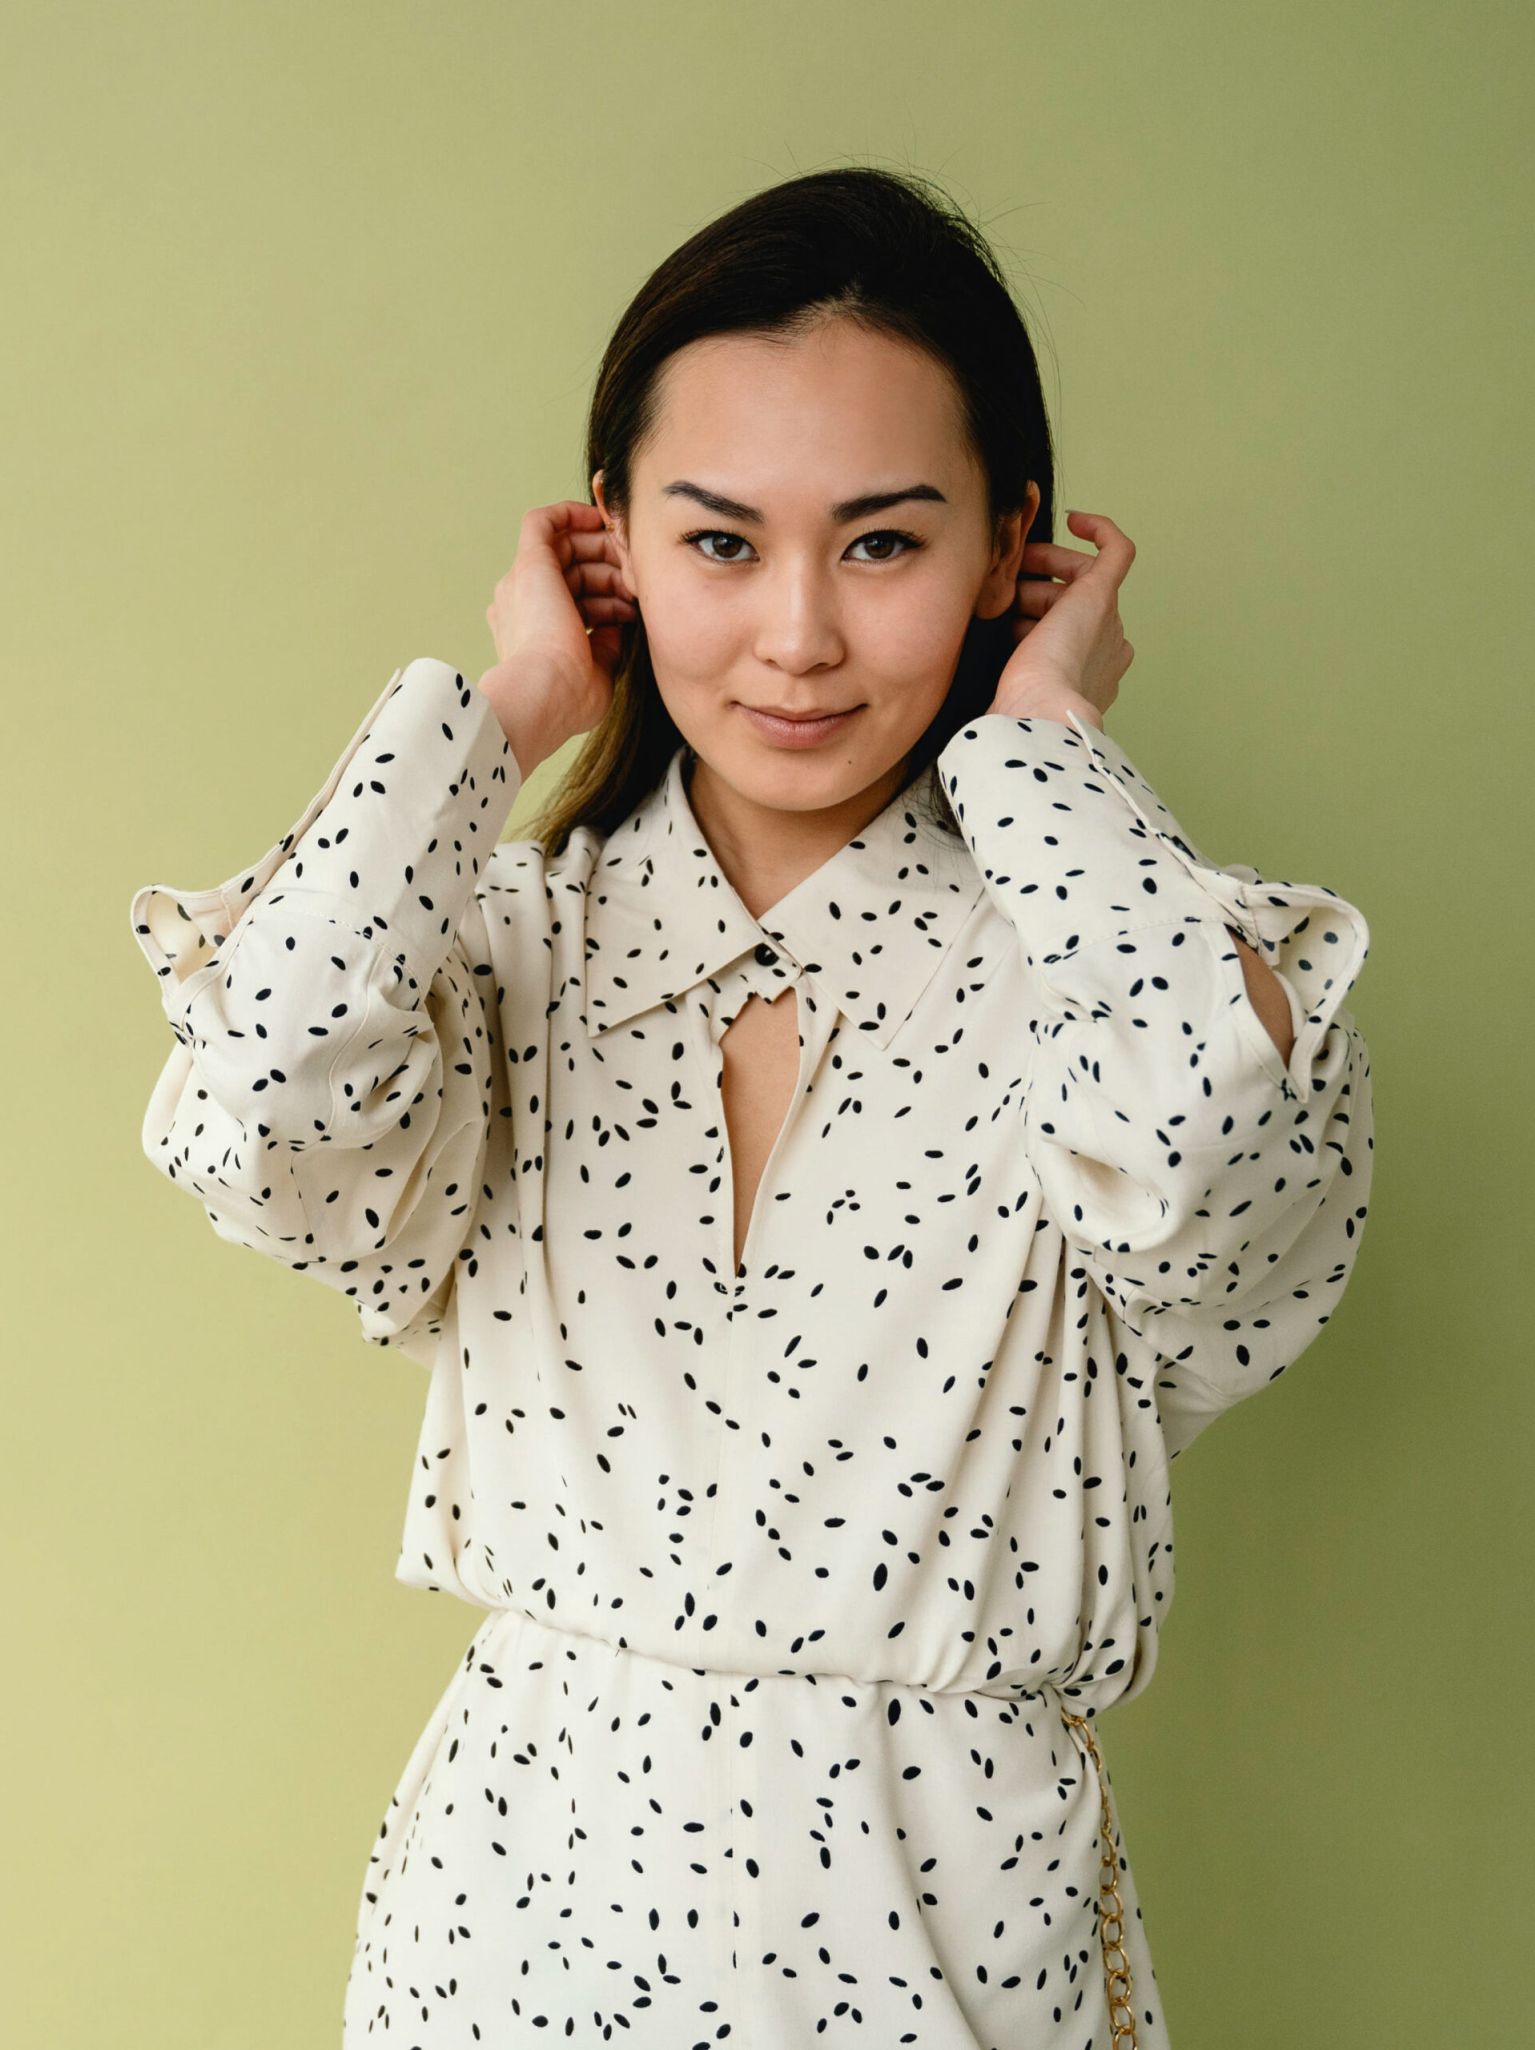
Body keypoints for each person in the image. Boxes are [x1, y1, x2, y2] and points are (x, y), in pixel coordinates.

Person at [128, 165, 1374, 2048]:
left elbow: (1226, 1161)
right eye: (719, 540)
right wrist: (511, 700)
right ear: (612, 542)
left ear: (1010, 548)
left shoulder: (1117, 973)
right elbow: (252, 1105)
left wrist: (1046, 745)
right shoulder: (502, 952)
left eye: (882, 543)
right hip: (516, 1945)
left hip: (950, 1943)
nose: (797, 634)